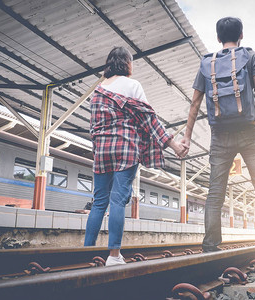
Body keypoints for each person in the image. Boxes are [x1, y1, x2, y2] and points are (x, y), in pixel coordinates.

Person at [180, 17, 255, 274]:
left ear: (219, 38)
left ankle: (210, 250)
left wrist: (187, 136)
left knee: (215, 193)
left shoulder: (207, 63)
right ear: (241, 34)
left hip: (220, 134)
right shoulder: (251, 56)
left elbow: (195, 104)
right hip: (249, 129)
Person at [84, 46, 187, 266]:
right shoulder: (132, 86)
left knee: (99, 202)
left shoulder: (98, 90)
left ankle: (86, 253)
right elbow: (150, 120)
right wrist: (174, 145)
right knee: (118, 200)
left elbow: (92, 127)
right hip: (126, 149)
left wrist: (99, 148)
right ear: (127, 64)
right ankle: (113, 256)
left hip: (102, 151)